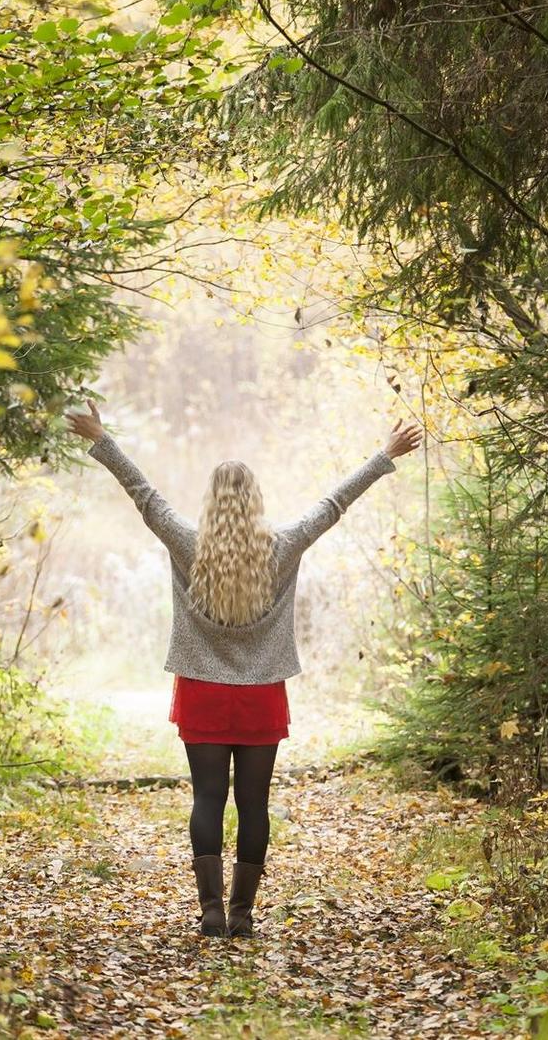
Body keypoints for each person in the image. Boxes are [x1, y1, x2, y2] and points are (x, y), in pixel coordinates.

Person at [64, 399, 423, 937]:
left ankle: (210, 910)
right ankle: (242, 914)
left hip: (203, 692)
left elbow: (144, 494)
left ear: (211, 502)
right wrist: (384, 454)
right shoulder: (284, 544)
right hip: (260, 696)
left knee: (207, 796)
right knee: (254, 802)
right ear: (255, 502)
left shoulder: (187, 542)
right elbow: (333, 504)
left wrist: (102, 438)